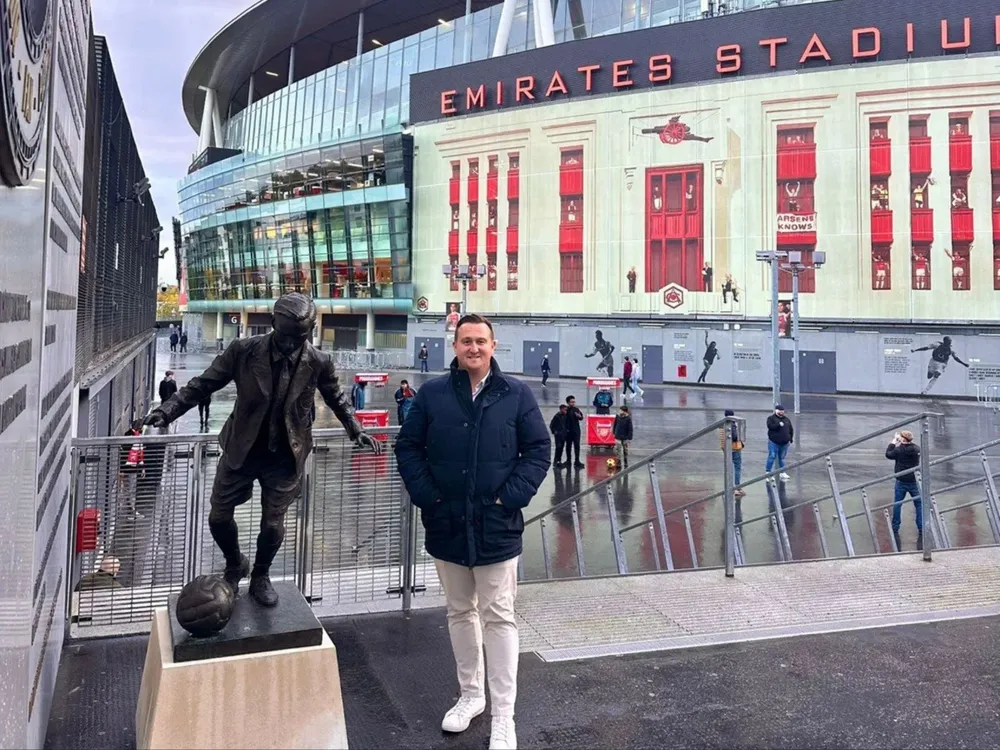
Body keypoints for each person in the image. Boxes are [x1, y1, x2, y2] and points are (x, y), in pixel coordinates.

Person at [145, 293, 382, 607]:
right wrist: (167, 410)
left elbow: (336, 397)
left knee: (272, 524)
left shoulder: (318, 361)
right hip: (242, 447)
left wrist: (356, 429)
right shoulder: (244, 351)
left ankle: (260, 574)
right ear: (273, 325)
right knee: (218, 518)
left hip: (286, 454)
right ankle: (235, 563)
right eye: (286, 336)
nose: (292, 344)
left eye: (301, 337)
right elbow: (203, 383)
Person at [394, 313, 550, 750]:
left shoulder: (515, 394)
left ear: (493, 345)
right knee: (460, 612)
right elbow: (408, 446)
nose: (474, 348)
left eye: (481, 341)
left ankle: (504, 715)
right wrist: (429, 497)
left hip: (497, 525)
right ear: (455, 346)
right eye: (466, 341)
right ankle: (470, 696)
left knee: (499, 617)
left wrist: (509, 498)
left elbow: (538, 450)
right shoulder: (433, 394)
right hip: (446, 523)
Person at [885, 430, 923, 551]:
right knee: (919, 505)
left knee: (897, 504)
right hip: (914, 481)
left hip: (901, 481)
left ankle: (895, 527)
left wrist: (893, 442)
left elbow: (888, 454)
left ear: (902, 439)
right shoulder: (917, 449)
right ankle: (921, 527)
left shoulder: (899, 450)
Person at [720, 409, 745, 497]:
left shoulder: (722, 424)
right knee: (737, 467)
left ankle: (729, 486)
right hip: (734, 448)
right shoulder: (732, 424)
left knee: (729, 467)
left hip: (725, 447)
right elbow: (734, 437)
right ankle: (737, 487)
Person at [765, 405, 793, 481]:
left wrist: (790, 439)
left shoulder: (786, 419)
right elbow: (770, 426)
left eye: (782, 410)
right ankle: (768, 472)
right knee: (772, 456)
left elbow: (790, 429)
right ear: (776, 410)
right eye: (779, 410)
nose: (781, 412)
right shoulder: (771, 418)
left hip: (785, 443)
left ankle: (782, 472)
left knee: (782, 458)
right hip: (774, 442)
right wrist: (778, 425)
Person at [565, 395, 584, 469]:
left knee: (577, 446)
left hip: (576, 431)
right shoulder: (566, 410)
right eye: (572, 402)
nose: (573, 403)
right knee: (568, 446)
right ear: (568, 402)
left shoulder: (576, 409)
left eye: (574, 402)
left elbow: (581, 417)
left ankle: (577, 460)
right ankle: (568, 460)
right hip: (568, 431)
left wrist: (579, 416)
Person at [612, 405, 633, 469]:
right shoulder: (617, 416)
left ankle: (625, 460)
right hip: (618, 435)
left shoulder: (628, 418)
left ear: (625, 411)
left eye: (621, 410)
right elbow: (615, 424)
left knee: (625, 450)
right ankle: (618, 462)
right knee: (618, 449)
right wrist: (614, 432)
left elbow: (630, 428)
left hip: (625, 437)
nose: (620, 411)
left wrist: (629, 437)